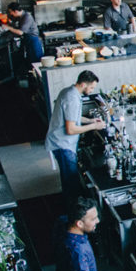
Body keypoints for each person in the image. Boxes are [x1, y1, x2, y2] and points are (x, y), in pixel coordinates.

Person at [45, 70, 105, 203]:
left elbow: (73, 118)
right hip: (63, 145)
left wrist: (90, 121)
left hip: (61, 142)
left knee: (69, 181)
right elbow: (71, 129)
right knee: (71, 184)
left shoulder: (69, 92)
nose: (91, 90)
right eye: (91, 87)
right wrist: (94, 127)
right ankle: (73, 213)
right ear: (83, 84)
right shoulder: (72, 98)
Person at [2, 2, 43, 71]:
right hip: (28, 41)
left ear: (16, 11)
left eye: (11, 12)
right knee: (31, 64)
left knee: (36, 64)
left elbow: (20, 32)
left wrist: (8, 27)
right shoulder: (21, 16)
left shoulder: (27, 17)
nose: (10, 14)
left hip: (33, 42)